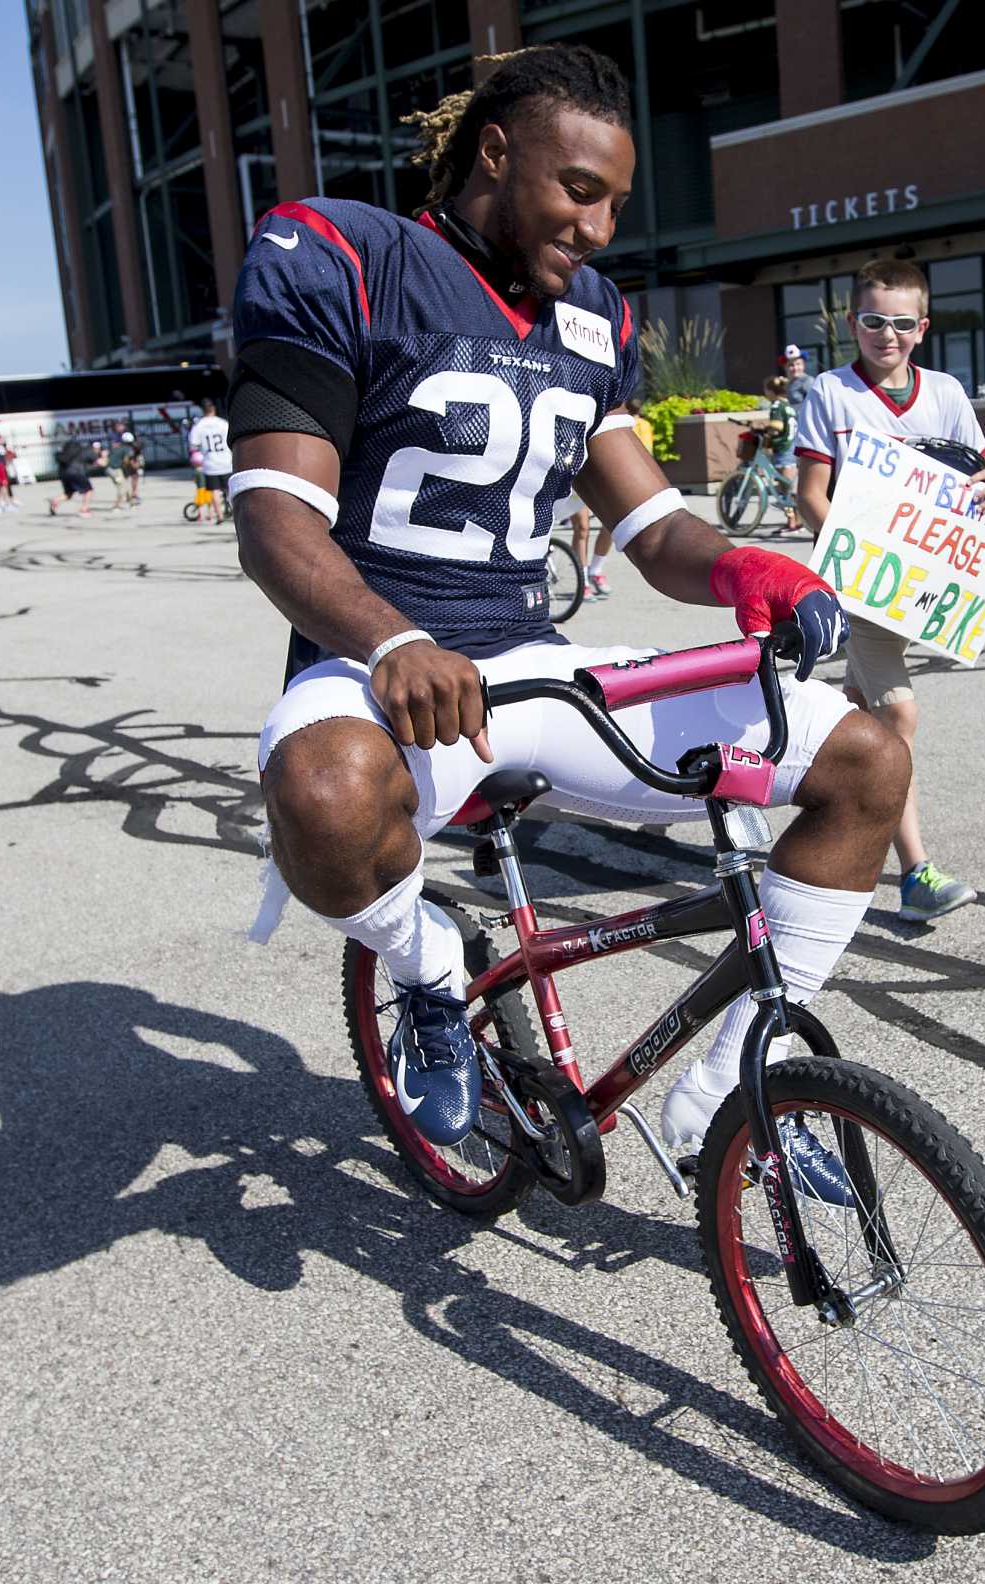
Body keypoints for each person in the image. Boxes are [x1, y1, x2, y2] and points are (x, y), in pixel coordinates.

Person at [226, 44, 904, 1176]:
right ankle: (430, 972)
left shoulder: (591, 315)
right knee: (325, 790)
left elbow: (650, 527)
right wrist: (393, 638)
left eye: (614, 204)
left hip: (532, 665)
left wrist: (743, 570)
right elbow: (276, 522)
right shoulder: (344, 253)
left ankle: (731, 1098)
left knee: (865, 762)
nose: (596, 229)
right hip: (382, 667)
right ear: (494, 151)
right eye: (576, 190)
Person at [791, 258, 985, 923]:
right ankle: (916, 872)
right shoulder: (829, 393)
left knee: (852, 709)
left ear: (921, 327)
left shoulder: (944, 392)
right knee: (899, 715)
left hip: (925, 587)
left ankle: (779, 757)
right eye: (871, 321)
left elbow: (980, 473)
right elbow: (809, 497)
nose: (885, 335)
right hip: (863, 587)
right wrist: (863, 559)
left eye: (899, 323)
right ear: (852, 323)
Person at [761, 375, 801, 535]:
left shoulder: (777, 406)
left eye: (766, 390)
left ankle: (792, 523)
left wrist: (767, 434)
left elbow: (777, 426)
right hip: (792, 447)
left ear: (771, 391)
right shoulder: (788, 405)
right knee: (790, 486)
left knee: (785, 489)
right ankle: (797, 520)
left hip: (782, 449)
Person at [187, 398, 232, 522]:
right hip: (226, 461)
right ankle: (233, 510)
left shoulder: (199, 426)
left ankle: (220, 515)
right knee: (230, 490)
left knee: (214, 491)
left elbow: (193, 445)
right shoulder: (223, 423)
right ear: (214, 409)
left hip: (210, 464)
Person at [48, 435, 95, 517]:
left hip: (63, 474)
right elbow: (92, 459)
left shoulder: (64, 453)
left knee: (69, 493)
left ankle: (55, 501)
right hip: (77, 473)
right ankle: (84, 510)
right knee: (88, 490)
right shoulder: (81, 450)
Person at [108, 430, 135, 509]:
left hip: (112, 469)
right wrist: (131, 466)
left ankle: (131, 503)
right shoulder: (127, 448)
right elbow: (126, 460)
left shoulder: (118, 446)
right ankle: (116, 506)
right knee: (122, 487)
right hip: (115, 470)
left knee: (126, 486)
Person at [781, 343, 811, 411]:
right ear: (785, 367)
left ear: (803, 365)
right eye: (791, 365)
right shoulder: (787, 383)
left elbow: (812, 405)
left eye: (798, 364)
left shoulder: (808, 381)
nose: (795, 368)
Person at [125, 432, 146, 504]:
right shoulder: (130, 448)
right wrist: (136, 465)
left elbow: (137, 458)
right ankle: (131, 495)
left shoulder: (134, 447)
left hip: (131, 464)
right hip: (129, 465)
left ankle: (133, 495)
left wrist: (138, 465)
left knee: (133, 480)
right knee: (130, 480)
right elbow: (130, 459)